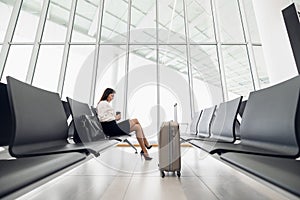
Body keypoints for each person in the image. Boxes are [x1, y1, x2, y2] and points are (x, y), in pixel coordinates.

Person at [97, 88, 152, 160]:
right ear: (107, 95)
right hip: (111, 129)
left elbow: (108, 117)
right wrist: (115, 117)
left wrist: (116, 117)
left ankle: (144, 150)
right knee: (136, 120)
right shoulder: (103, 103)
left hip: (113, 127)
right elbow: (102, 119)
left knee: (137, 127)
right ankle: (146, 143)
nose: (112, 98)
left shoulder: (105, 103)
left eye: (113, 96)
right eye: (111, 96)